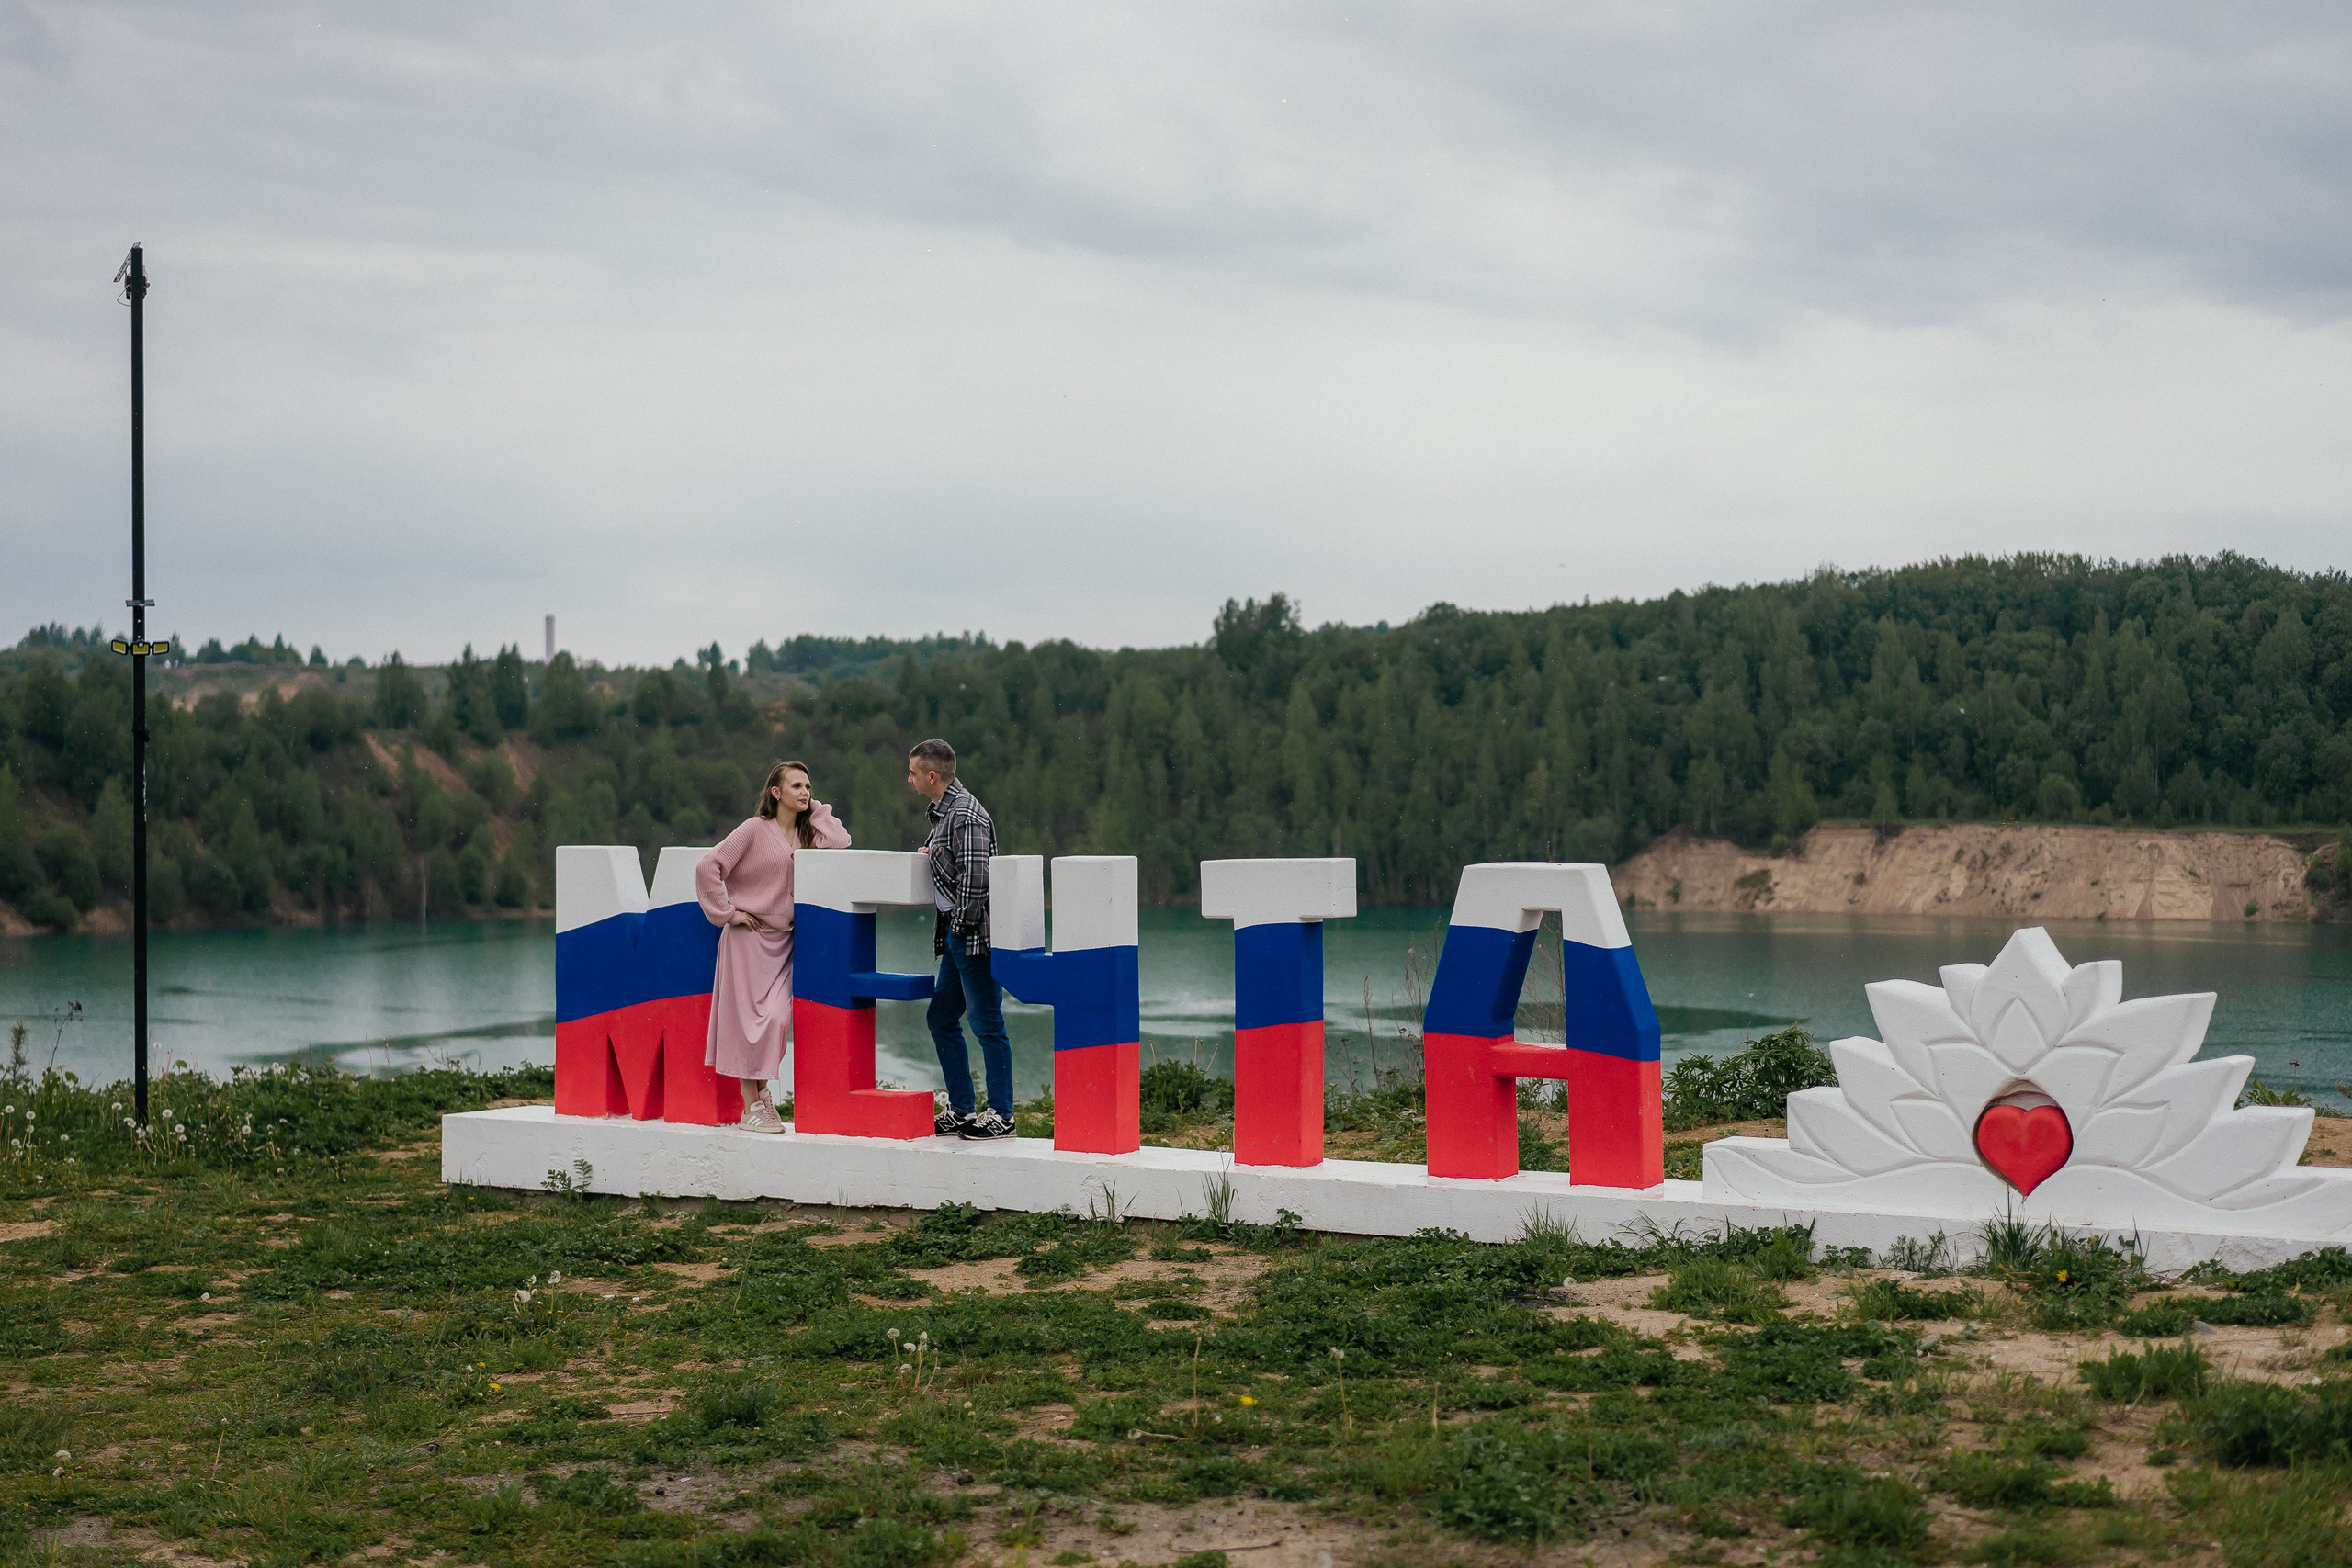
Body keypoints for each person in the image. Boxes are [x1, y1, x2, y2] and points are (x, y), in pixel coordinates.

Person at [696, 760, 850, 1133]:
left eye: (808, 787)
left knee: (777, 1021)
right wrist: (728, 913)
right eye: (796, 786)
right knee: (748, 1026)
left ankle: (762, 1099)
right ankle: (752, 1107)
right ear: (775, 792)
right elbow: (709, 866)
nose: (805, 792)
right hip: (748, 941)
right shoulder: (753, 830)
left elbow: (841, 842)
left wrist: (815, 809)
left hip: (785, 945)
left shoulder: (807, 834)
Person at [908, 738, 1016, 1139]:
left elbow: (977, 879)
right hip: (960, 937)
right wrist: (932, 857)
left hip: (974, 937)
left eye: (914, 772)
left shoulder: (965, 815)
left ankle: (1002, 1114)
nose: (910, 779)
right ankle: (963, 1109)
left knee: (986, 1021)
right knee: (941, 1017)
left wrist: (958, 925)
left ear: (931, 775)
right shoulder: (944, 814)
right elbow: (958, 866)